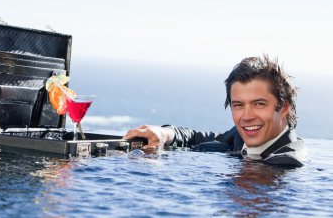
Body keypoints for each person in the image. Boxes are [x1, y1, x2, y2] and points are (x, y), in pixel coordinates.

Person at [124, 55, 307, 167]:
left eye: (259, 104)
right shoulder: (240, 136)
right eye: (238, 105)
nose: (247, 116)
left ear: (283, 108)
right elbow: (197, 138)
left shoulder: (287, 161)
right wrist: (164, 133)